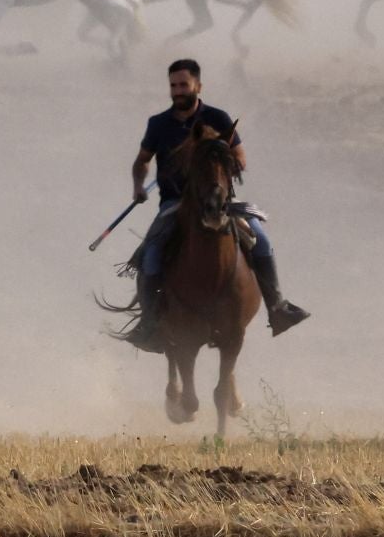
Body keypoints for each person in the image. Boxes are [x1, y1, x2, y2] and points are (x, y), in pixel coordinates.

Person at [126, 58, 309, 351]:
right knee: (151, 250)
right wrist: (138, 186)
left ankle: (278, 307)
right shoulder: (159, 124)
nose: (178, 91)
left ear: (198, 85)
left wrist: (218, 158)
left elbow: (241, 157)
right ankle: (149, 321)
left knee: (260, 238)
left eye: (184, 84)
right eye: (173, 85)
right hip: (176, 202)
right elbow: (142, 161)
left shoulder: (219, 118)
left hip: (222, 198)